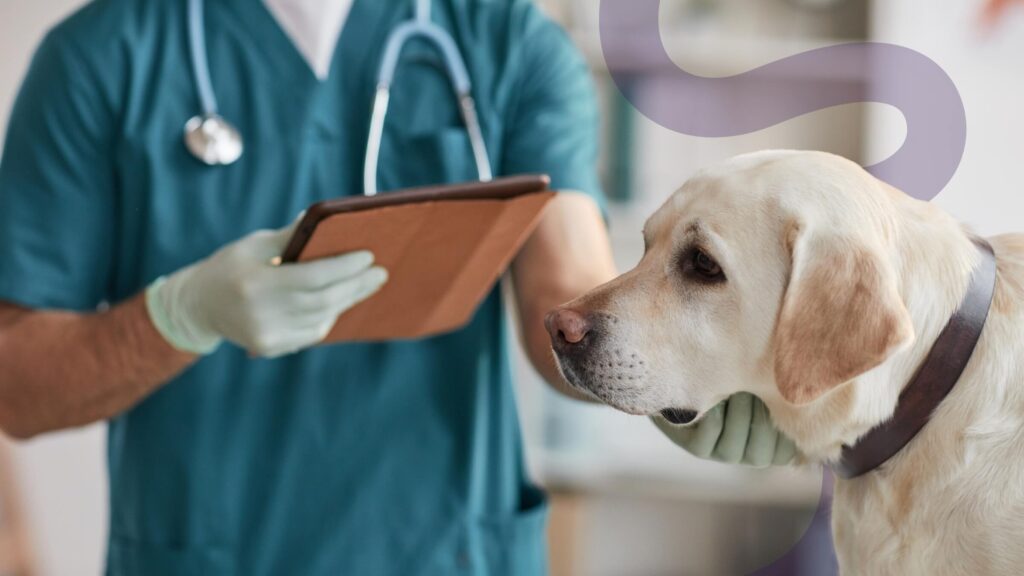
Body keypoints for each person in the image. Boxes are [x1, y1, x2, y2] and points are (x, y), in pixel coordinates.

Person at [0, 0, 787, 573]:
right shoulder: (101, 58)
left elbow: (567, 294)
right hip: (212, 554)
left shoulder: (509, 47)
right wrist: (178, 316)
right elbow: (16, 386)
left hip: (444, 551)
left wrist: (656, 375)